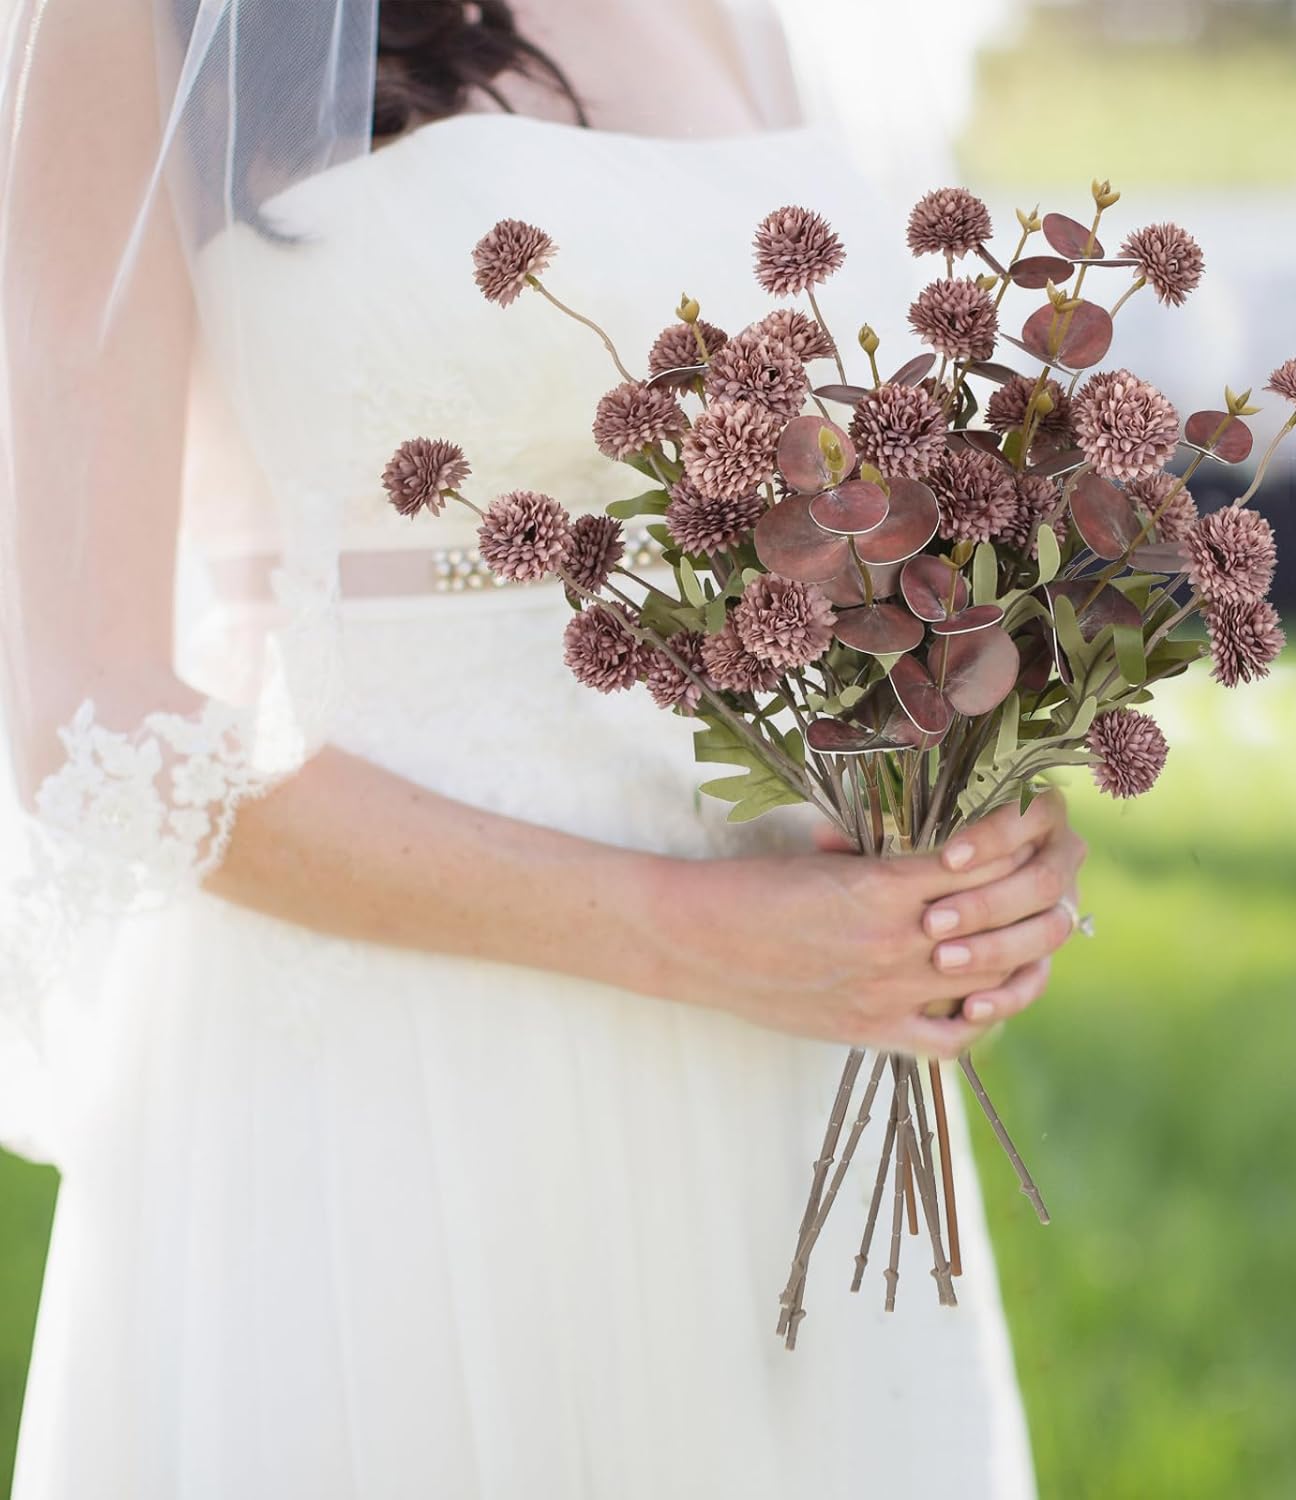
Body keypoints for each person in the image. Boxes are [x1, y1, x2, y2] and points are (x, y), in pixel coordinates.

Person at [1, 1, 1087, 1494]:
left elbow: (870, 533)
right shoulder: (138, 23)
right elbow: (90, 718)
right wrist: (697, 937)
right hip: (389, 1061)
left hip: (792, 1068)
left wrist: (974, 829)